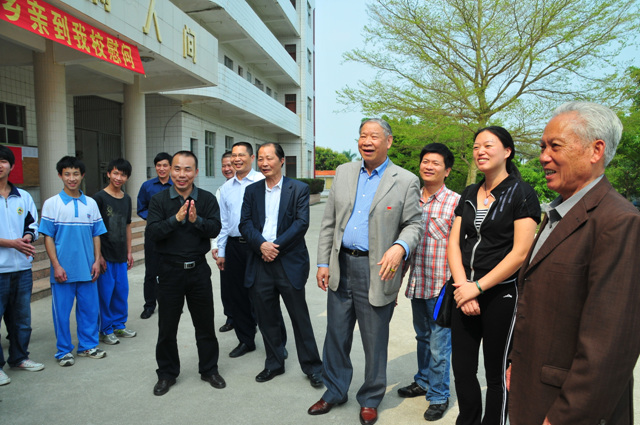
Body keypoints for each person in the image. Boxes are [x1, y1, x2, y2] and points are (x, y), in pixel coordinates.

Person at [507, 102, 640, 425]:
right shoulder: (557, 213)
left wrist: (565, 417)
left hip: (567, 410)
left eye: (555, 146)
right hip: (532, 391)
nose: (543, 157)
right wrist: (515, 362)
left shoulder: (618, 222)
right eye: (542, 146)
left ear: (596, 150)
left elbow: (610, 344)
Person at [308, 119, 423, 425]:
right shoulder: (344, 172)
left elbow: (414, 224)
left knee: (374, 341)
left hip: (378, 270)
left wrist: (400, 246)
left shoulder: (405, 180)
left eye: (374, 136)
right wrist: (323, 263)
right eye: (362, 136)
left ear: (389, 141)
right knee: (336, 335)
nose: (367, 141)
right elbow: (329, 222)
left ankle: (370, 398)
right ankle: (335, 390)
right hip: (341, 265)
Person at [447, 127, 540, 425]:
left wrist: (477, 287)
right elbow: (454, 242)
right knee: (462, 369)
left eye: (488, 145)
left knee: (496, 373)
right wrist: (463, 286)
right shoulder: (469, 193)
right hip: (463, 290)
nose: (480, 151)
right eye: (476, 146)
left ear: (507, 151)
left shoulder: (521, 193)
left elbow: (520, 253)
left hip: (501, 294)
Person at [239, 143, 323, 387]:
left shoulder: (298, 188)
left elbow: (301, 223)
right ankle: (274, 363)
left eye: (269, 158)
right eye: (261, 159)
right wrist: (261, 245)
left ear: (281, 160)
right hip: (260, 261)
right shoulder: (252, 190)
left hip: (288, 261)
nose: (264, 163)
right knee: (267, 317)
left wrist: (273, 247)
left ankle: (313, 367)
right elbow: (245, 223)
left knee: (299, 317)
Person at [146, 151, 225, 396]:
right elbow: (153, 233)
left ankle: (209, 369)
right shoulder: (159, 200)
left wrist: (196, 220)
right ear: (171, 170)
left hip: (198, 271)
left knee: (205, 325)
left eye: (188, 169)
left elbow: (215, 228)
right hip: (169, 272)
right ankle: (167, 374)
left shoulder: (207, 199)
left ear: (196, 172)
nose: (182, 174)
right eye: (177, 169)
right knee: (167, 327)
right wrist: (176, 219)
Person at [397, 143, 460, 421]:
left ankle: (438, 395)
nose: (428, 166)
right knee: (422, 338)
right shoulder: (411, 200)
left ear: (447, 171)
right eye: (425, 161)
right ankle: (422, 381)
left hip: (442, 287)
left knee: (439, 345)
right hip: (418, 284)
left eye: (436, 163)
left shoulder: (455, 202)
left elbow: (462, 246)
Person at [217, 142, 287, 358]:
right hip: (234, 246)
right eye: (234, 155)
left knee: (265, 297)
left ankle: (277, 344)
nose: (237, 159)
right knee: (237, 297)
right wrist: (221, 250)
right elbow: (224, 223)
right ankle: (246, 340)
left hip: (258, 246)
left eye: (241, 155)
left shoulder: (262, 181)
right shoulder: (225, 188)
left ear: (252, 158)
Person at [40, 156, 108, 366]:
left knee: (89, 310)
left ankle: (88, 346)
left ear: (82, 175)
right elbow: (48, 237)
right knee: (61, 314)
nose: (72, 178)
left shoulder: (91, 203)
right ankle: (63, 351)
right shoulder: (52, 204)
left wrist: (96, 260)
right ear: (60, 175)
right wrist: (56, 265)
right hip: (63, 271)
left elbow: (96, 234)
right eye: (67, 174)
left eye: (76, 174)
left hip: (88, 268)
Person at [0, 146, 43, 385]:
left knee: (21, 320)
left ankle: (19, 358)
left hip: (22, 270)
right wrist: (11, 243)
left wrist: (26, 238)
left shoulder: (23, 197)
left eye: (3, 161)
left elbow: (33, 224)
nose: (0, 165)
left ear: (12, 166)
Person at [93, 158, 136, 345]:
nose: (119, 178)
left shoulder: (126, 199)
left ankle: (119, 325)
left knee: (121, 292)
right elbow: (94, 230)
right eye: (116, 173)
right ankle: (106, 329)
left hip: (120, 255)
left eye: (123, 175)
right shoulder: (99, 198)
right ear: (108, 173)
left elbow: (127, 226)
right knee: (105, 294)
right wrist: (99, 256)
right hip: (105, 256)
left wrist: (129, 252)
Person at [137, 152, 172, 319]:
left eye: (165, 165)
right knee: (151, 271)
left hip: (172, 234)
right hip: (153, 233)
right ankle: (149, 305)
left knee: (171, 270)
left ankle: (171, 303)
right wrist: (154, 220)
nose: (162, 168)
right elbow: (141, 208)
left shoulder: (176, 185)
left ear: (170, 167)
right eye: (159, 165)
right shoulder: (147, 186)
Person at [211, 151, 235, 333]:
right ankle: (231, 317)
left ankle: (251, 318)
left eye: (230, 165)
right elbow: (218, 220)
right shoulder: (220, 190)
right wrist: (216, 245)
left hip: (246, 244)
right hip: (226, 244)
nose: (227, 169)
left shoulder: (252, 186)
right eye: (224, 165)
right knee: (227, 284)